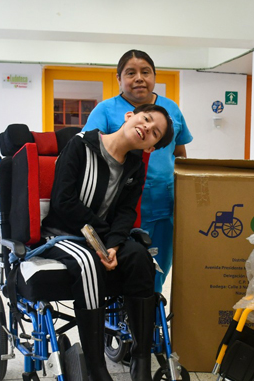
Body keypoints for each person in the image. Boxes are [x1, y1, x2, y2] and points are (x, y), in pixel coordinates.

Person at [42, 104, 174, 381]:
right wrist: (103, 239)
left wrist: (113, 244)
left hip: (103, 236)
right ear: (130, 116)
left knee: (140, 257)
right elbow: (63, 201)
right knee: (88, 264)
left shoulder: (135, 166)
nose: (147, 128)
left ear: (151, 146)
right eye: (146, 119)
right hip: (65, 233)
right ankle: (97, 371)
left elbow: (126, 212)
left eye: (155, 133)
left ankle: (140, 359)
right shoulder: (81, 146)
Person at [83, 49, 193, 293]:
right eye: (130, 73)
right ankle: (126, 308)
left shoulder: (171, 109)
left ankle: (150, 307)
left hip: (164, 200)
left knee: (159, 264)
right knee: (124, 263)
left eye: (146, 72)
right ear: (119, 78)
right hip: (119, 202)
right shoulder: (105, 110)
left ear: (154, 76)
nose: (139, 78)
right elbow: (89, 151)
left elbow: (180, 154)